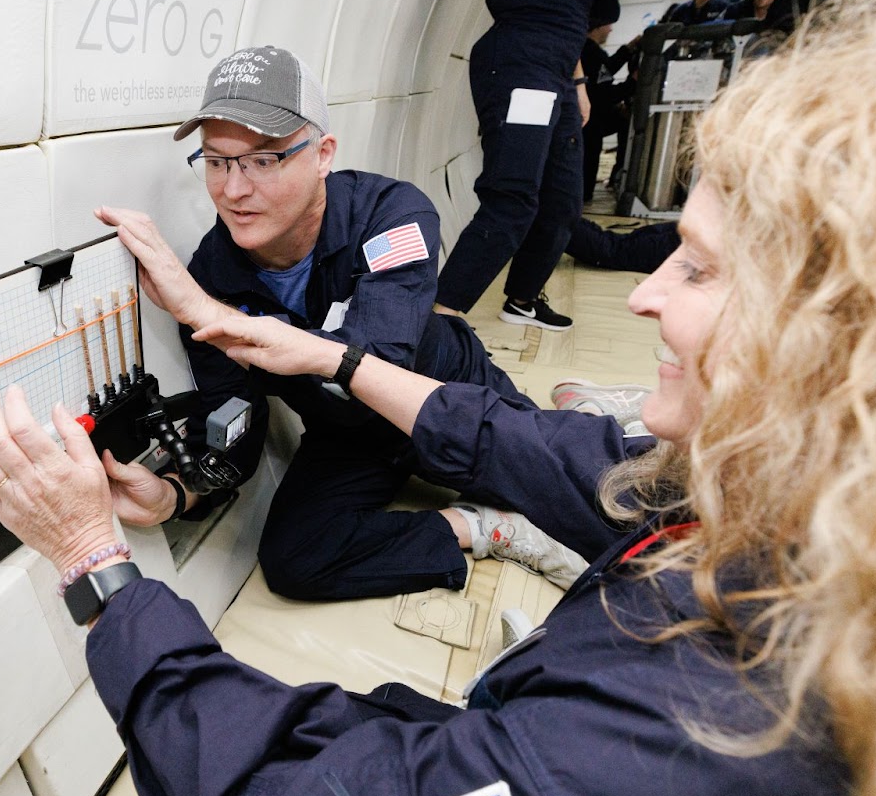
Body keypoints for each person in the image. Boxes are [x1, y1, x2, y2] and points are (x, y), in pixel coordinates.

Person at [0, 0, 876, 796]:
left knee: (514, 439)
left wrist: (92, 557)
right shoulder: (830, 527)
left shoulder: (382, 212)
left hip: (427, 389)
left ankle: (523, 500)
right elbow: (237, 407)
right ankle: (497, 509)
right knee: (350, 564)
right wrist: (181, 481)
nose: (654, 290)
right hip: (367, 428)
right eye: (217, 162)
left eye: (704, 270)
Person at [91, 45, 582, 601]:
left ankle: (577, 415)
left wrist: (210, 315)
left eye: (263, 159)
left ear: (322, 154)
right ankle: (482, 527)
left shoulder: (391, 213)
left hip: (448, 396)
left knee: (576, 493)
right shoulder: (210, 277)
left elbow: (378, 361)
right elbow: (233, 421)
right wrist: (178, 494)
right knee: (294, 560)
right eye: (217, 161)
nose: (233, 190)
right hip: (349, 433)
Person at [433, 0, 639, 334]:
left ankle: (522, 298)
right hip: (520, 57)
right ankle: (440, 320)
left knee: (565, 202)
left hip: (560, 72)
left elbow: (582, 11)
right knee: (512, 200)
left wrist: (580, 82)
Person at [578, 19, 635, 201]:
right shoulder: (592, 54)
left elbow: (605, 70)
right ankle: (584, 194)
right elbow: (604, 92)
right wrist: (632, 82)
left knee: (622, 122)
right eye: (608, 24)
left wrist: (627, 50)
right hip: (591, 117)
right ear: (597, 25)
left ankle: (611, 178)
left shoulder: (588, 51)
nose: (611, 29)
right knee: (589, 153)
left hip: (589, 114)